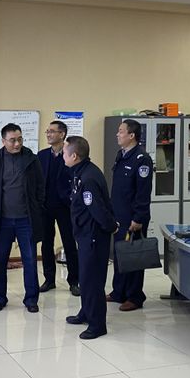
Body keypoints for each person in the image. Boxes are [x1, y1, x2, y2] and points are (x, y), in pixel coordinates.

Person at [0, 123, 44, 313]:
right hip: (2, 220)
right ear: (3, 141)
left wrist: (38, 207)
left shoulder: (31, 159)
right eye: (12, 140)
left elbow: (40, 187)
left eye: (19, 139)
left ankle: (31, 299)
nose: (17, 144)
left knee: (30, 260)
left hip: (26, 219)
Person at [63, 136, 117, 340]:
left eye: (65, 153)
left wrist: (112, 227)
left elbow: (98, 210)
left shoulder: (88, 177)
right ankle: (86, 312)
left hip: (93, 236)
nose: (63, 156)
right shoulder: (80, 172)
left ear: (74, 156)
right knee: (85, 278)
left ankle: (97, 324)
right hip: (85, 234)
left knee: (92, 280)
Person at [107, 118, 153, 312]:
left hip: (133, 217)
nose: (117, 134)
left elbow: (143, 192)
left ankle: (134, 297)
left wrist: (138, 218)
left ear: (132, 135)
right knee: (120, 254)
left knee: (133, 257)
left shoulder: (142, 159)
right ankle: (119, 291)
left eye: (121, 131)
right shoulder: (122, 155)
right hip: (119, 214)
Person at [38, 120, 80, 296]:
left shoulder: (71, 154)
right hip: (45, 206)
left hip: (65, 207)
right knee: (46, 244)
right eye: (47, 131)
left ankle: (74, 281)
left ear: (62, 134)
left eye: (52, 131)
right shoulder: (42, 155)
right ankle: (49, 279)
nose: (48, 134)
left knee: (69, 243)